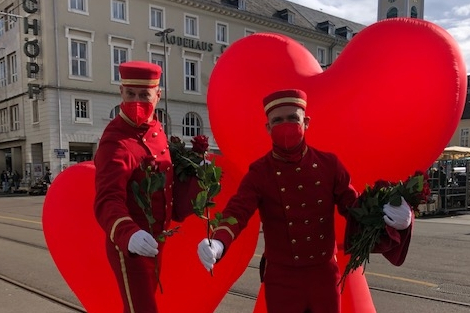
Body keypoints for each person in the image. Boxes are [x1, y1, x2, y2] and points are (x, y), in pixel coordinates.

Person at [197, 89, 413, 313]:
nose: (286, 125)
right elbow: (238, 210)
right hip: (281, 280)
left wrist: (389, 216)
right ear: (268, 128)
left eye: (293, 118)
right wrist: (219, 241)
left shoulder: (329, 165)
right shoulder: (260, 172)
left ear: (306, 122)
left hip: (324, 276)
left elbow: (354, 207)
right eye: (278, 120)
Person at [94, 61, 195, 313]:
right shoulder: (115, 140)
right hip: (130, 245)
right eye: (131, 94)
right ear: (121, 92)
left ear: (157, 96)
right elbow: (108, 199)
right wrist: (128, 233)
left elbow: (165, 186)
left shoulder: (156, 130)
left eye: (144, 95)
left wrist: (197, 174)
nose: (136, 101)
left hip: (155, 241)